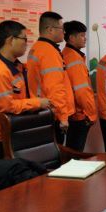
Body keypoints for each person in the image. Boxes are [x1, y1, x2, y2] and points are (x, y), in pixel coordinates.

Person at [0, 20, 50, 158]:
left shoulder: (15, 66)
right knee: (14, 169)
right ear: (11, 40)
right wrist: (38, 103)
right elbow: (5, 107)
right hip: (5, 134)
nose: (26, 43)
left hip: (18, 127)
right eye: (24, 39)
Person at [26, 11, 75, 144]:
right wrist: (63, 117)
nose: (64, 32)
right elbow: (55, 87)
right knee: (56, 153)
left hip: (43, 112)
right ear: (50, 30)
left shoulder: (37, 47)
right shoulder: (48, 52)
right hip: (53, 115)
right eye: (62, 29)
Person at [62, 21, 97, 151]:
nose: (85, 38)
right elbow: (81, 91)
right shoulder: (74, 58)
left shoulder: (66, 54)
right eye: (82, 35)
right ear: (71, 38)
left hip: (72, 113)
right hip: (80, 115)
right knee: (76, 152)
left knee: (71, 150)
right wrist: (91, 114)